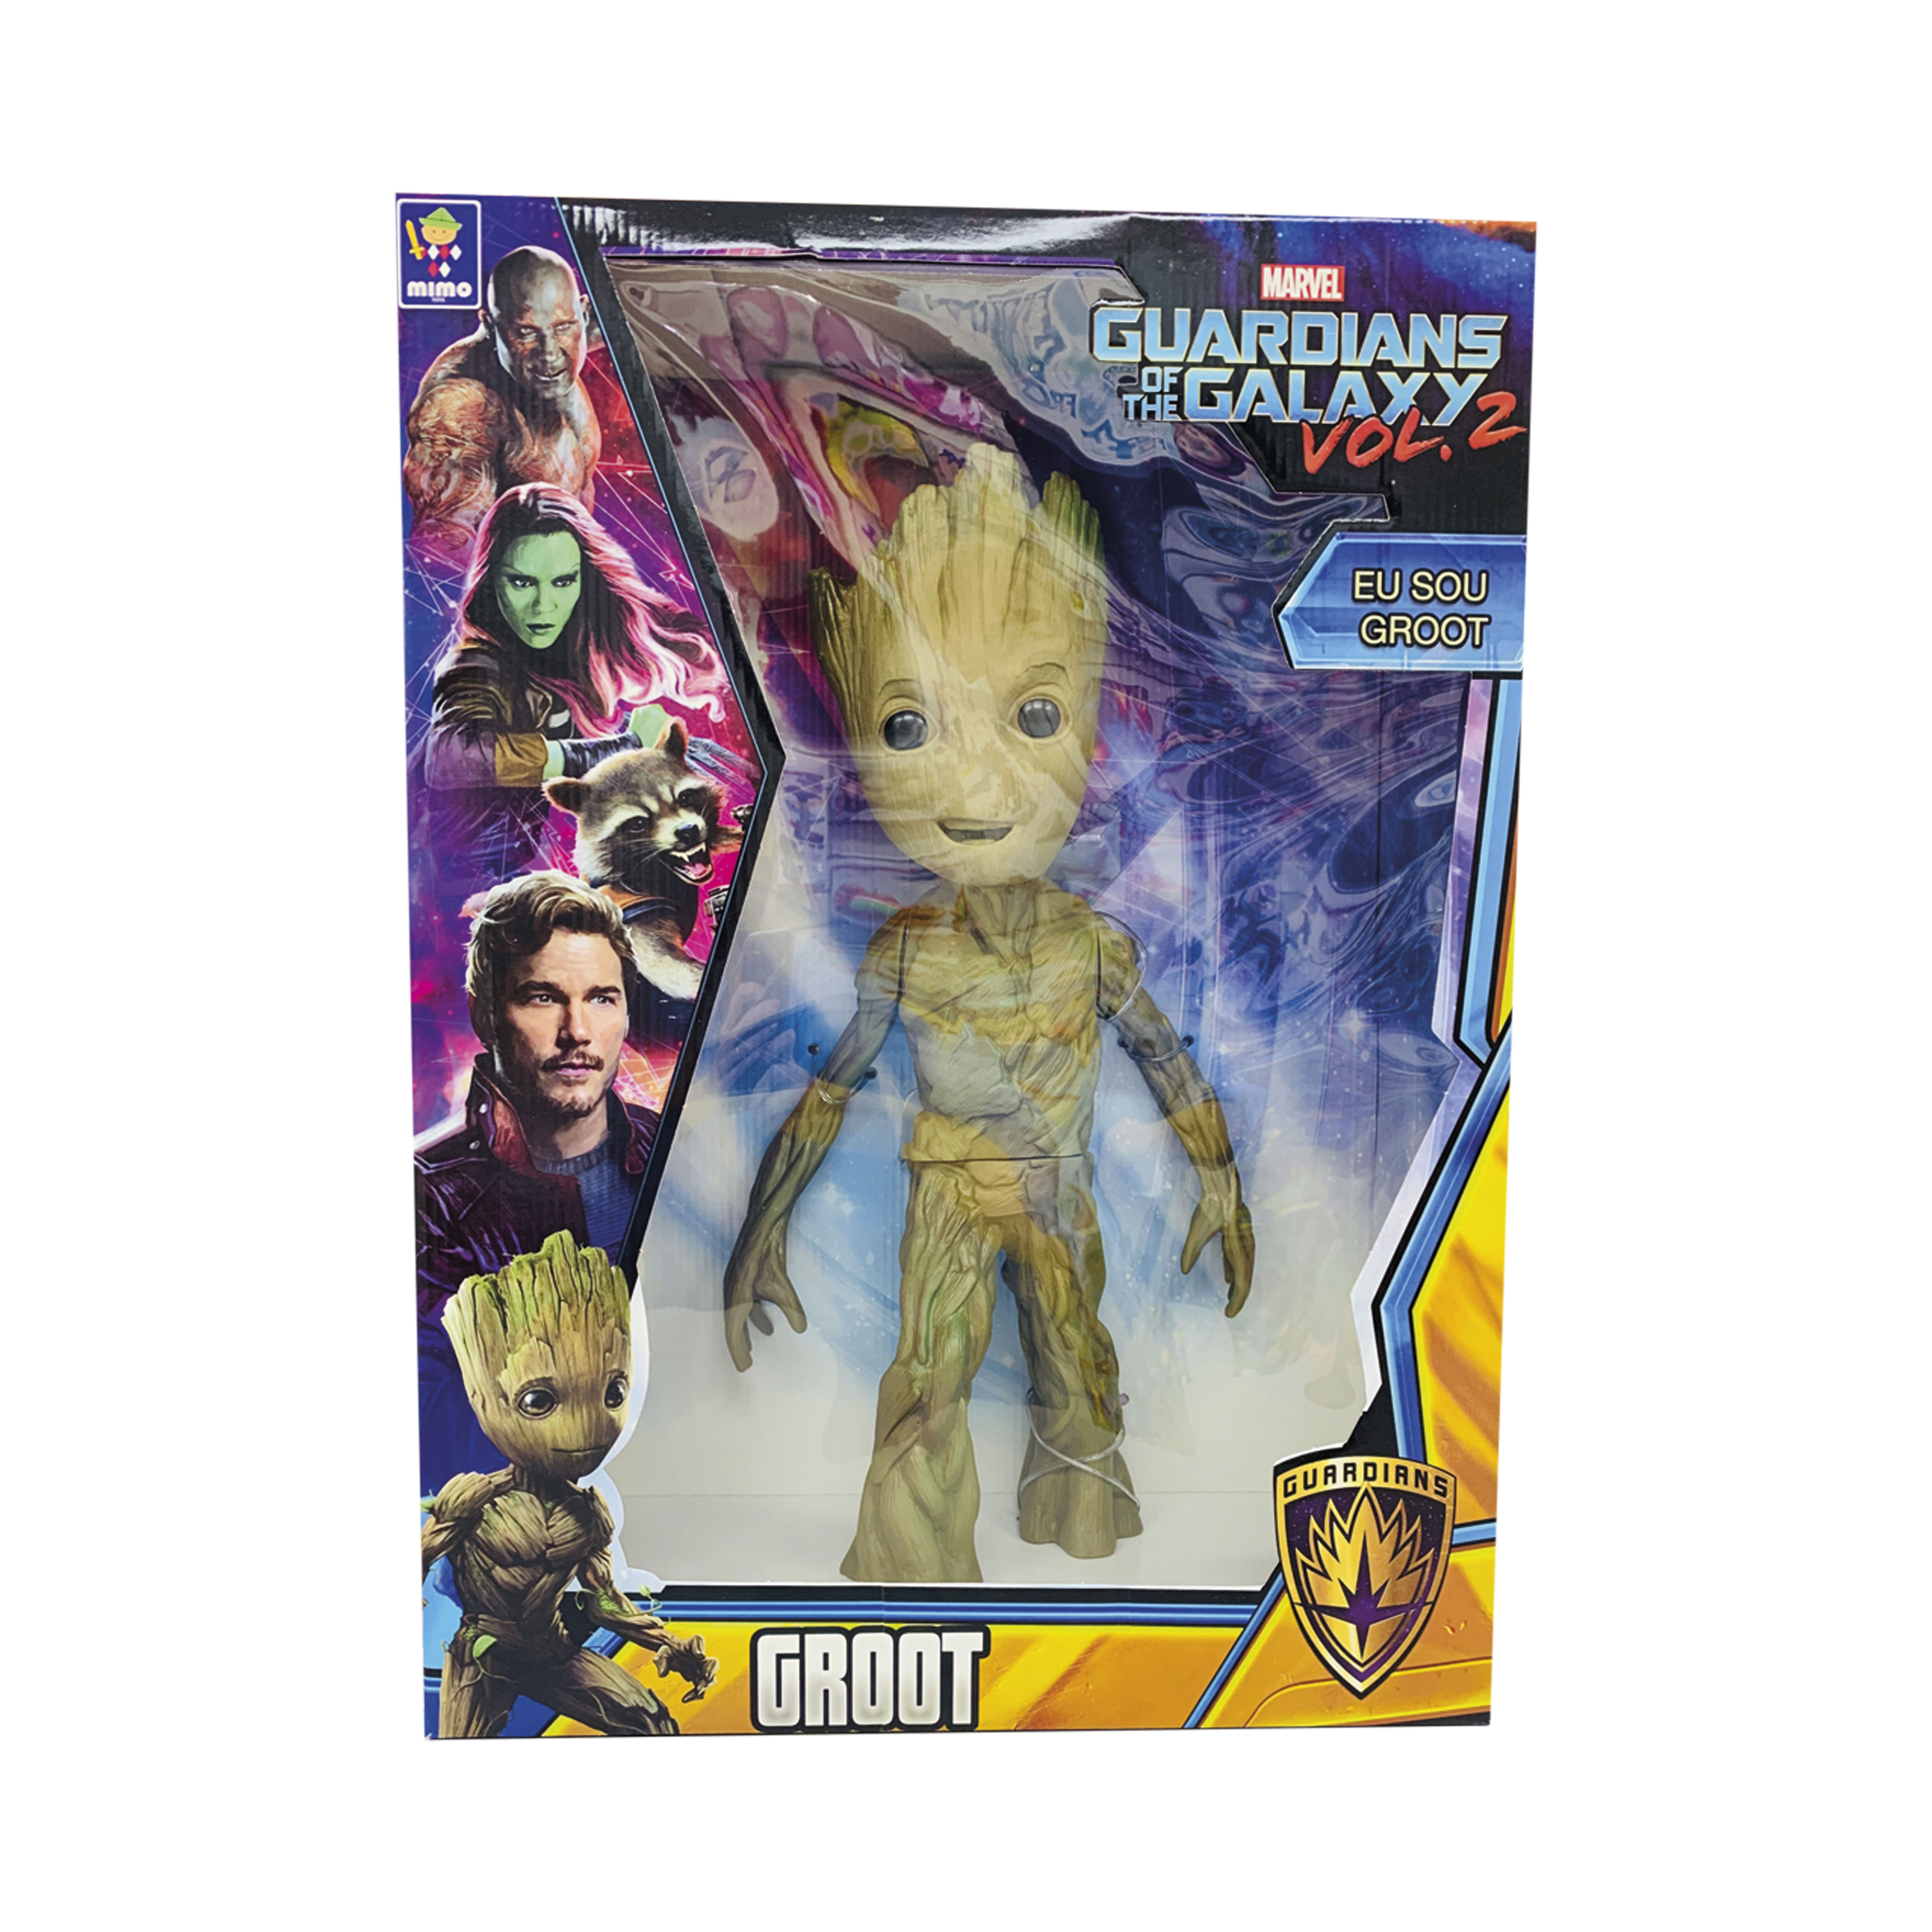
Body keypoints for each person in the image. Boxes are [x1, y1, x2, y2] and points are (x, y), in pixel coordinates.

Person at [723, 446, 1253, 1585]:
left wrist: (1220, 1177)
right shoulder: (908, 951)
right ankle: (916, 1576)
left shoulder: (1090, 945)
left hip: (1057, 1186)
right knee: (927, 1380)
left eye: (1033, 713)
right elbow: (830, 1092)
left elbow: (1165, 1058)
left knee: (1079, 1370)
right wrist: (762, 1224)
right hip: (950, 1189)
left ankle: (1084, 1537)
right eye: (907, 728)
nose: (972, 784)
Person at [415, 871, 660, 1494]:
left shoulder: (676, 1155)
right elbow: (425, 1446)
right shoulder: (426, 1197)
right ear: (486, 1014)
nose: (577, 1032)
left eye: (602, 998)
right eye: (544, 998)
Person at [418, 481, 724, 893]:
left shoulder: (571, 654)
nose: (544, 606)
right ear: (492, 583)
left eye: (563, 582)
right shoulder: (475, 666)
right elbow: (451, 756)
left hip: (515, 876)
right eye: (522, 583)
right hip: (450, 884)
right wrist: (617, 750)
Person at [403, 245, 603, 566]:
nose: (550, 354)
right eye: (526, 333)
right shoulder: (462, 409)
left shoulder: (565, 335)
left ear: (583, 313)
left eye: (563, 328)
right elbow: (443, 556)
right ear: (492, 326)